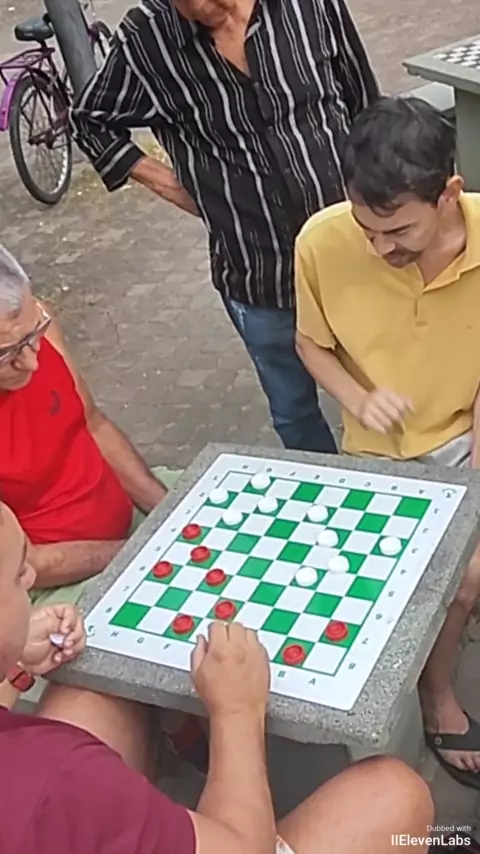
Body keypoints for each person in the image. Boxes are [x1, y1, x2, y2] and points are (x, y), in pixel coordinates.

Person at [0, 499, 434, 853]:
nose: (33, 575)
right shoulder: (56, 777)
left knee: (86, 693)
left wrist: (14, 665)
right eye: (19, 575)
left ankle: (171, 772)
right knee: (394, 794)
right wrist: (238, 711)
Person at [69, 0, 380, 456]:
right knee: (294, 411)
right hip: (257, 271)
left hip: (354, 254)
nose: (198, 9)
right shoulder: (148, 37)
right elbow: (90, 120)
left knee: (381, 388)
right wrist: (173, 185)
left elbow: (364, 101)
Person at [294, 95, 480, 789]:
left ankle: (438, 682)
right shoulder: (320, 241)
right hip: (374, 457)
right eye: (366, 228)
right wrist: (358, 398)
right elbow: (310, 346)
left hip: (463, 439)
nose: (380, 248)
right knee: (423, 586)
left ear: (449, 193)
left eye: (398, 229)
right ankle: (432, 699)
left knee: (465, 575)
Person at [0, 244, 179, 607]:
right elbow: (27, 562)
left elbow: (93, 424)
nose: (32, 362)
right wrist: (138, 552)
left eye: (33, 335)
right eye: (7, 354)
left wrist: (170, 512)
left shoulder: (34, 322)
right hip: (56, 586)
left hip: (131, 529)